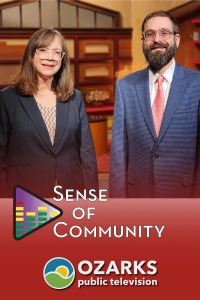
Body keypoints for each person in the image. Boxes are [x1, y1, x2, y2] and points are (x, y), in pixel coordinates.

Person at [109, 10, 200, 198]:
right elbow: (118, 153)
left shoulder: (197, 83)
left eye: (164, 32)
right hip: (139, 194)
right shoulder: (125, 86)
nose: (157, 39)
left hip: (184, 195)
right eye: (150, 34)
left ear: (177, 39)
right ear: (143, 41)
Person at [0, 28, 98, 198]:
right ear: (31, 55)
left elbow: (87, 153)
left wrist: (92, 197)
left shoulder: (75, 97)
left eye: (56, 52)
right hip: (26, 195)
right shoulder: (7, 98)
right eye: (43, 50)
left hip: (71, 192)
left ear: (62, 59)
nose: (50, 57)